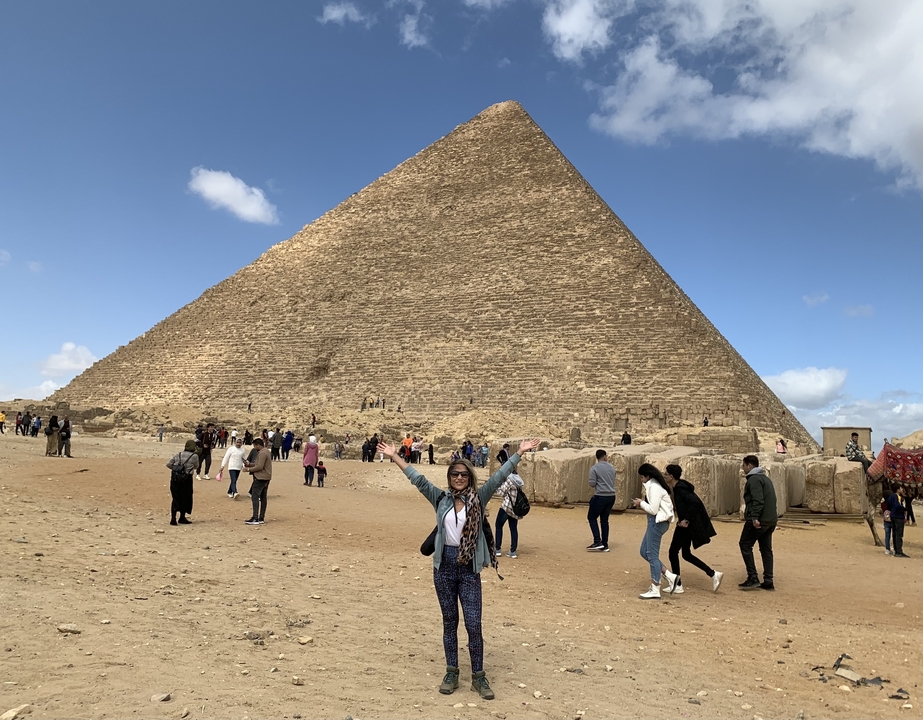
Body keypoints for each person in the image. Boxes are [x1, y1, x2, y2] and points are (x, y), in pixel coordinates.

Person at [378, 436, 540, 700]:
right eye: (455, 473)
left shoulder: (479, 498)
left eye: (464, 474)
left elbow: (499, 477)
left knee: (474, 624)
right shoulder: (440, 499)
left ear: (470, 477)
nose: (459, 477)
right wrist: (395, 456)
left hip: (468, 568)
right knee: (450, 621)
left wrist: (519, 453)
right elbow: (416, 479)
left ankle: (478, 676)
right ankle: (451, 671)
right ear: (449, 476)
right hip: (444, 567)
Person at [663, 464, 721, 593]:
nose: (664, 475)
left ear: (671, 476)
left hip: (685, 526)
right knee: (686, 554)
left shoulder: (681, 490)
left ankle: (677, 584)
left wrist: (686, 520)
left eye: (666, 474)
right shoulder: (679, 488)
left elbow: (694, 503)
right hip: (686, 525)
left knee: (673, 552)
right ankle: (712, 574)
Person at [632, 463, 675, 599]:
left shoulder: (654, 487)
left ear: (647, 476)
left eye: (642, 477)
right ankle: (670, 576)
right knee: (644, 551)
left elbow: (653, 509)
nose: (641, 480)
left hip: (658, 522)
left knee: (652, 555)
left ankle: (655, 587)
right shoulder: (653, 486)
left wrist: (640, 503)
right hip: (654, 522)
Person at [739, 455, 777, 590]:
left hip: (759, 520)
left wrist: (754, 518)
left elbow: (758, 500)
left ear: (749, 465)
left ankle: (752, 577)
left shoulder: (754, 480)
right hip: (770, 520)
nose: (742, 469)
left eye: (743, 466)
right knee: (766, 550)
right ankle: (768, 580)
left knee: (745, 544)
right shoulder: (766, 479)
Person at [586, 449, 616, 552]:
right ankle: (605, 544)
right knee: (604, 520)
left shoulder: (594, 468)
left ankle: (597, 541)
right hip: (611, 496)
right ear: (605, 456)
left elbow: (592, 484)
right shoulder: (612, 468)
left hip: (600, 496)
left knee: (591, 517)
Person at [166, 440, 199, 525]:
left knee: (176, 498)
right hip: (186, 479)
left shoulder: (178, 454)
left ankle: (173, 519)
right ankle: (182, 517)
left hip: (175, 479)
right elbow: (196, 466)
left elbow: (169, 464)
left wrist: (177, 469)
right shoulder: (194, 456)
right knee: (185, 498)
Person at [494, 472, 525, 558]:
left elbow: (501, 493)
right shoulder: (518, 480)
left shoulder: (509, 480)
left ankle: (497, 549)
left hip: (506, 507)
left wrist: (498, 485)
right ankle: (513, 551)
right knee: (513, 528)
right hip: (514, 509)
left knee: (498, 525)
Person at [244, 438, 272, 525]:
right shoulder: (266, 451)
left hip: (260, 478)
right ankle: (261, 518)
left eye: (255, 446)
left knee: (255, 497)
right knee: (263, 498)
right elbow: (258, 464)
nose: (254, 448)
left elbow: (259, 466)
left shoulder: (262, 453)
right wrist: (250, 464)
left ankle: (255, 518)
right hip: (266, 477)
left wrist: (248, 469)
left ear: (258, 445)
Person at [886, 485, 909, 557]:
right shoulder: (897, 497)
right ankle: (899, 551)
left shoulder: (891, 497)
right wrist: (904, 509)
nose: (902, 490)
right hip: (898, 517)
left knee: (895, 533)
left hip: (893, 516)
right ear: (898, 489)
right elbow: (897, 505)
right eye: (901, 488)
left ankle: (896, 550)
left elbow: (888, 506)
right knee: (899, 534)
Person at [881, 488, 894, 556]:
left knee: (887, 536)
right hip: (893, 520)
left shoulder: (883, 504)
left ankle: (887, 549)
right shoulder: (893, 503)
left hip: (886, 521)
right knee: (894, 535)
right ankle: (895, 549)